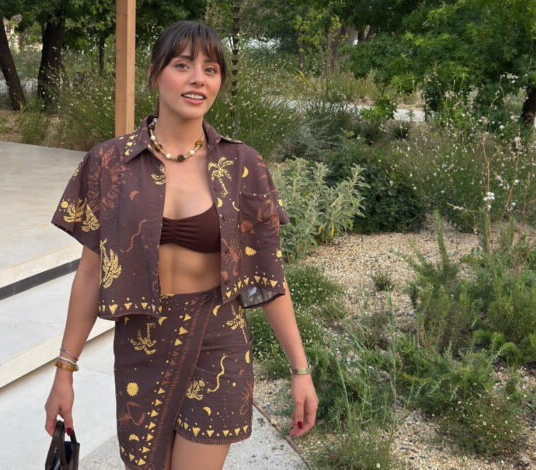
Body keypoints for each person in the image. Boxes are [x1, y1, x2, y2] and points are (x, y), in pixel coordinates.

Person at [45, 20, 318, 470]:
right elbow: (91, 275)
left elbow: (270, 275)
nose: (198, 79)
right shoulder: (109, 163)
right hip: (141, 345)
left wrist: (300, 370)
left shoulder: (242, 165)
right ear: (155, 74)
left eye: (211, 69)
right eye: (183, 65)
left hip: (218, 341)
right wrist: (65, 370)